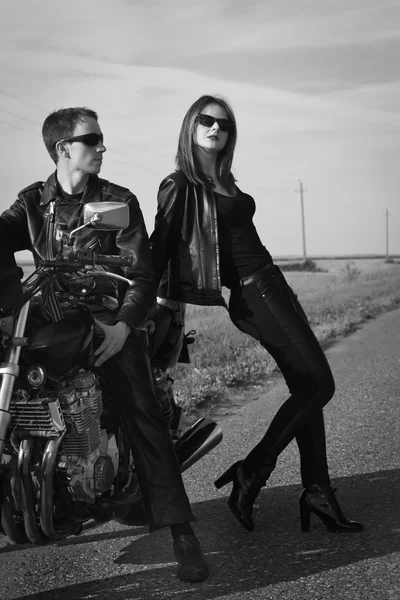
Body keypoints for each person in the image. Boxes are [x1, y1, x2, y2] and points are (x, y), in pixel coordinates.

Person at [0, 107, 209, 582]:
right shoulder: (33, 203)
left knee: (140, 410)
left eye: (99, 139)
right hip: (47, 320)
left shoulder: (117, 201)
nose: (101, 147)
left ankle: (181, 532)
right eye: (91, 139)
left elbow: (141, 272)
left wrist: (124, 325)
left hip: (106, 323)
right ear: (62, 149)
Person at [149, 94, 363, 535]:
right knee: (321, 384)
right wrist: (142, 304)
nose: (215, 129)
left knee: (307, 387)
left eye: (223, 125)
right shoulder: (180, 186)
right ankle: (253, 472)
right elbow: (160, 249)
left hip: (274, 284)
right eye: (206, 121)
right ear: (191, 126)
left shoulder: (226, 180)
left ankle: (318, 491)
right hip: (252, 292)